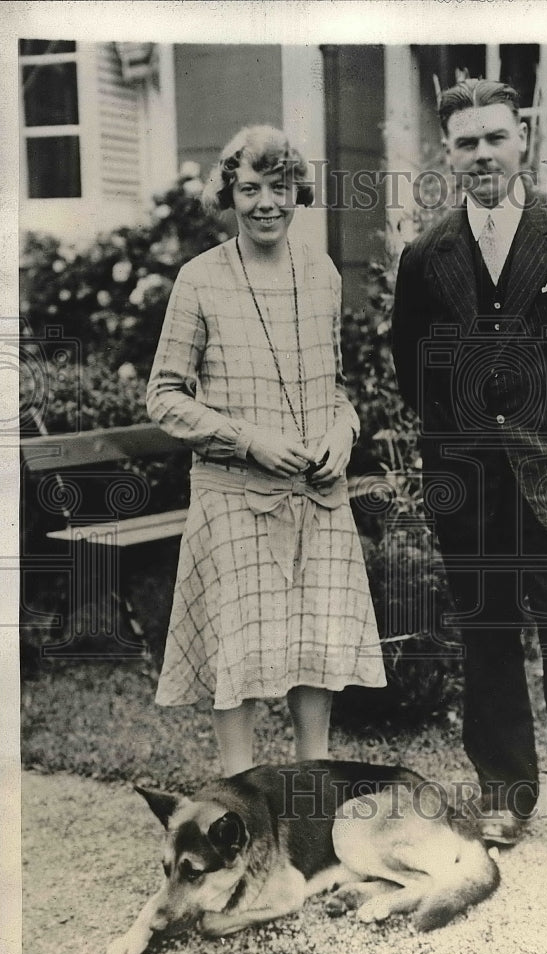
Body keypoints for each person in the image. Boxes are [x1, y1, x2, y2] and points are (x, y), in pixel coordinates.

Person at [391, 80, 547, 866]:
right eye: (466, 143)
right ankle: (503, 798)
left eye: (495, 137)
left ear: (522, 138)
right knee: (488, 640)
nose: (482, 155)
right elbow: (415, 371)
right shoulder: (427, 256)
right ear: (448, 153)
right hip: (472, 486)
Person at [147, 125, 386, 776]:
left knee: (317, 642)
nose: (265, 204)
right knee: (241, 651)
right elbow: (163, 396)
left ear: (297, 191)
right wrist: (249, 440)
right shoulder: (199, 280)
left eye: (279, 187)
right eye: (249, 189)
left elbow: (334, 389)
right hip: (235, 497)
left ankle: (314, 788)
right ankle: (240, 794)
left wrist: (344, 432)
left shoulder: (323, 274)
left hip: (316, 492)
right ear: (229, 196)